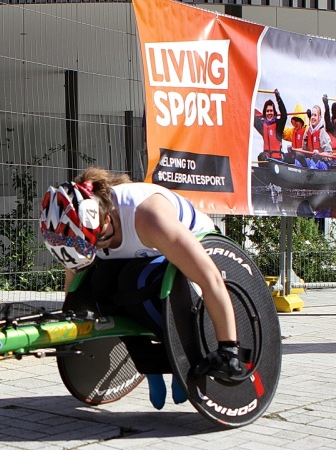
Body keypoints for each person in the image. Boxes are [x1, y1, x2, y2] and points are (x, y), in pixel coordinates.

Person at [40, 168, 246, 403]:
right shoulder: (81, 231)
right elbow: (75, 280)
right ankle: (149, 363)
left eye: (98, 243)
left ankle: (181, 352)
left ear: (107, 219)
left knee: (134, 281)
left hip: (187, 250)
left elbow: (211, 279)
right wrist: (70, 319)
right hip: (141, 257)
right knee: (99, 283)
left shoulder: (149, 217)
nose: (95, 250)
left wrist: (229, 348)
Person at [253, 89, 287, 161]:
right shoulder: (262, 125)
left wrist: (278, 98)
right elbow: (251, 116)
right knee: (260, 156)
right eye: (267, 111)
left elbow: (284, 115)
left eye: (271, 111)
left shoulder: (278, 125)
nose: (269, 113)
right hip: (267, 160)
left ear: (274, 112)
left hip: (277, 161)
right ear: (265, 113)